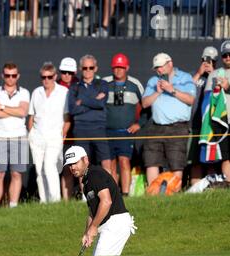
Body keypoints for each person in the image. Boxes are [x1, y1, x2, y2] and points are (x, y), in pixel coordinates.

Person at [63, 145, 136, 256]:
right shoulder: (86, 181)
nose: (72, 167)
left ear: (85, 159)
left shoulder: (95, 175)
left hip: (115, 224)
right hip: (109, 225)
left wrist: (93, 228)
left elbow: (106, 202)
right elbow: (92, 211)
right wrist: (87, 233)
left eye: (75, 163)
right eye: (70, 165)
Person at [142, 53, 196, 186]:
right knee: (151, 161)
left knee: (176, 162)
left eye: (160, 66)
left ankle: (173, 193)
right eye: (156, 68)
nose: (158, 70)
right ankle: (153, 194)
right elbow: (144, 103)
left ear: (170, 63)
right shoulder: (153, 81)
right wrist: (158, 92)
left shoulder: (185, 77)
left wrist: (172, 90)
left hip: (177, 127)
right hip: (156, 126)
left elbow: (191, 99)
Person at [0, 62, 30, 209]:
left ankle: (13, 206)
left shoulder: (24, 92)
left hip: (19, 137)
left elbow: (23, 112)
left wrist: (3, 107)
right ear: (2, 76)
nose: (10, 78)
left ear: (17, 76)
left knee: (16, 174)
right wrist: (13, 110)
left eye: (13, 75)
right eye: (7, 75)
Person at [103, 53, 145, 195]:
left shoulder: (134, 85)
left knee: (124, 161)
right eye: (115, 67)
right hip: (108, 131)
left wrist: (139, 123)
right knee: (111, 164)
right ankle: (115, 194)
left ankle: (126, 194)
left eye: (121, 67)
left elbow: (147, 106)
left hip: (125, 132)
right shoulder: (105, 84)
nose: (118, 70)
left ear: (127, 67)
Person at [28, 62, 68, 203]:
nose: (46, 80)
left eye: (49, 77)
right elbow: (31, 116)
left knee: (49, 166)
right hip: (37, 137)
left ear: (55, 76)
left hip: (54, 137)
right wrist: (30, 135)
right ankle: (44, 202)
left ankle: (55, 201)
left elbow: (67, 117)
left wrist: (63, 135)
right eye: (43, 77)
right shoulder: (36, 92)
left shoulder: (64, 92)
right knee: (39, 171)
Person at [67, 55, 111, 173]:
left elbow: (101, 104)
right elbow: (73, 110)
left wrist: (82, 101)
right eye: (85, 68)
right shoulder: (74, 87)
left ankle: (111, 191)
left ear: (95, 68)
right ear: (81, 68)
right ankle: (84, 192)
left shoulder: (102, 84)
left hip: (99, 127)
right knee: (81, 164)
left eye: (90, 67)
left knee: (106, 161)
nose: (88, 70)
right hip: (80, 128)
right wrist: (94, 101)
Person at [189, 46, 218, 185]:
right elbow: (186, 90)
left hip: (211, 126)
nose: (207, 63)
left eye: (211, 60)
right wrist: (199, 73)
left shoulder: (219, 75)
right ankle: (195, 189)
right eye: (205, 60)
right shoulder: (194, 76)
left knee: (211, 160)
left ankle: (211, 188)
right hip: (195, 126)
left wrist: (213, 74)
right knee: (195, 161)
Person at [204, 40, 230, 182]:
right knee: (225, 156)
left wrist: (228, 87)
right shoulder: (214, 74)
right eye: (225, 55)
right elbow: (207, 101)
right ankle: (228, 185)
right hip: (221, 121)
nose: (228, 57)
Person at [57, 57, 79, 201]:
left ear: (75, 72)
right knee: (66, 168)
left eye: (69, 73)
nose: (66, 75)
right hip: (60, 134)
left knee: (80, 168)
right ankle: (66, 200)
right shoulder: (54, 86)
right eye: (64, 72)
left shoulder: (79, 86)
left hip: (77, 132)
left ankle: (85, 198)